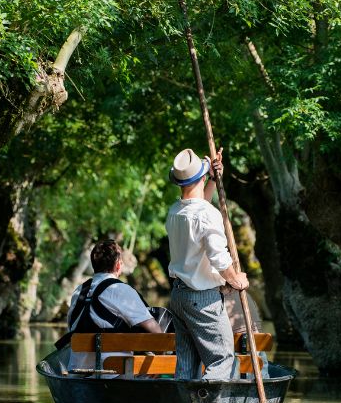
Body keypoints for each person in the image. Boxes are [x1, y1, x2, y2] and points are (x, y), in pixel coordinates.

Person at [166, 147, 249, 380]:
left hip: (179, 296)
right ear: (201, 177)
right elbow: (219, 257)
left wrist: (212, 179)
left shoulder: (175, 211)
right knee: (222, 360)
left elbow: (198, 206)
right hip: (202, 299)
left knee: (187, 363)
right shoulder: (207, 214)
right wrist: (236, 280)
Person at [66, 239, 162, 374]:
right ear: (118, 265)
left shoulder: (78, 291)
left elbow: (70, 327)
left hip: (77, 372)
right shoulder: (121, 290)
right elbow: (155, 332)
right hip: (115, 374)